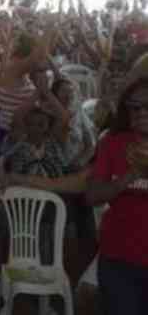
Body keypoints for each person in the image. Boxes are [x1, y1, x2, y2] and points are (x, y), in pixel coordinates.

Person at [85, 78, 148, 315]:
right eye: (135, 107)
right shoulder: (112, 142)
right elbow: (92, 196)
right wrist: (129, 176)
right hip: (120, 257)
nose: (141, 112)